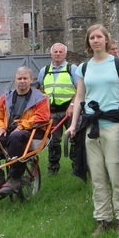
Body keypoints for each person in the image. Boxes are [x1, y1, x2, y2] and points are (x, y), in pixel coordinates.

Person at [68, 24, 119, 237]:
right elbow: (80, 98)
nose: (95, 40)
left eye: (99, 37)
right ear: (88, 42)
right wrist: (73, 125)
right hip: (90, 128)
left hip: (112, 125)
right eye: (91, 38)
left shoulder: (118, 63)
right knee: (97, 175)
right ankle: (103, 218)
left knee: (116, 171)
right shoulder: (83, 68)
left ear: (106, 39)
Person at [0, 67, 50, 197]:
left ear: (31, 80)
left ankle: (15, 177)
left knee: (16, 136)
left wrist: (22, 126)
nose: (22, 81)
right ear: (15, 80)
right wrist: (0, 127)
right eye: (19, 79)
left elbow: (42, 117)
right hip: (9, 131)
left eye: (25, 78)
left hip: (30, 133)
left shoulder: (40, 97)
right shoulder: (5, 97)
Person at [38, 42, 78, 175]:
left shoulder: (72, 69)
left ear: (65, 54)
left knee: (74, 138)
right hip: (52, 112)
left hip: (70, 110)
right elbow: (40, 91)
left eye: (61, 52)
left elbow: (80, 90)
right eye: (55, 52)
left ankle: (77, 167)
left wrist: (72, 105)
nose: (58, 54)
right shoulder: (44, 71)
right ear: (51, 54)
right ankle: (53, 168)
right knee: (53, 141)